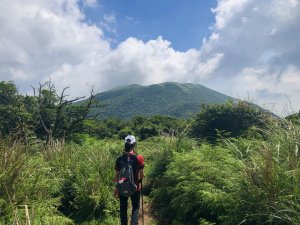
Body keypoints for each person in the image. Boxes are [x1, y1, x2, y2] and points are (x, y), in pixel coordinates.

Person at [114, 135, 145, 225]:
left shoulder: (119, 159)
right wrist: (140, 178)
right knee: (135, 207)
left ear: (125, 144)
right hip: (135, 187)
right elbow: (141, 175)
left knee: (123, 208)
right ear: (134, 144)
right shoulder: (139, 158)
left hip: (122, 187)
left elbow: (116, 176)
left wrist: (117, 187)